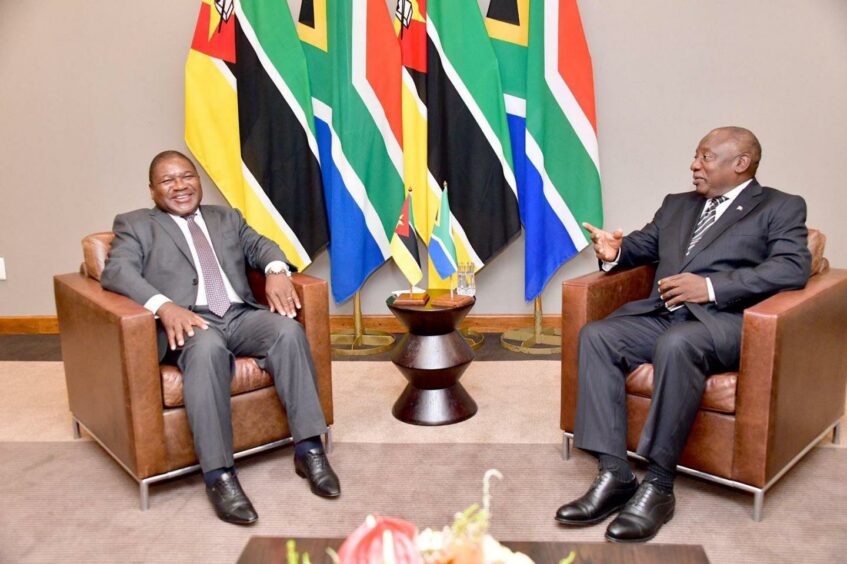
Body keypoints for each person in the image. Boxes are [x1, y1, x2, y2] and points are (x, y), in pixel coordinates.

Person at [555, 127, 811, 542]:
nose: (694, 165)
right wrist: (613, 251)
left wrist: (711, 288)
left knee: (678, 344)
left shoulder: (779, 207)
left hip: (723, 323)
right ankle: (615, 474)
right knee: (598, 336)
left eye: (706, 157)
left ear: (740, 163)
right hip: (665, 314)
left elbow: (791, 268)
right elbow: (640, 246)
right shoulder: (677, 205)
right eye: (696, 156)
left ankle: (657, 484)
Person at [101, 150, 340, 525]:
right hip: (191, 324)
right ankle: (219, 476)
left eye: (187, 176)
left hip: (239, 315)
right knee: (209, 348)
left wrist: (276, 269)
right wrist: (164, 306)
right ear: (152, 191)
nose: (180, 186)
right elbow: (117, 273)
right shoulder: (135, 225)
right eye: (168, 181)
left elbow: (261, 246)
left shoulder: (226, 217)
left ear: (198, 180)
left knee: (287, 331)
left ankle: (309, 450)